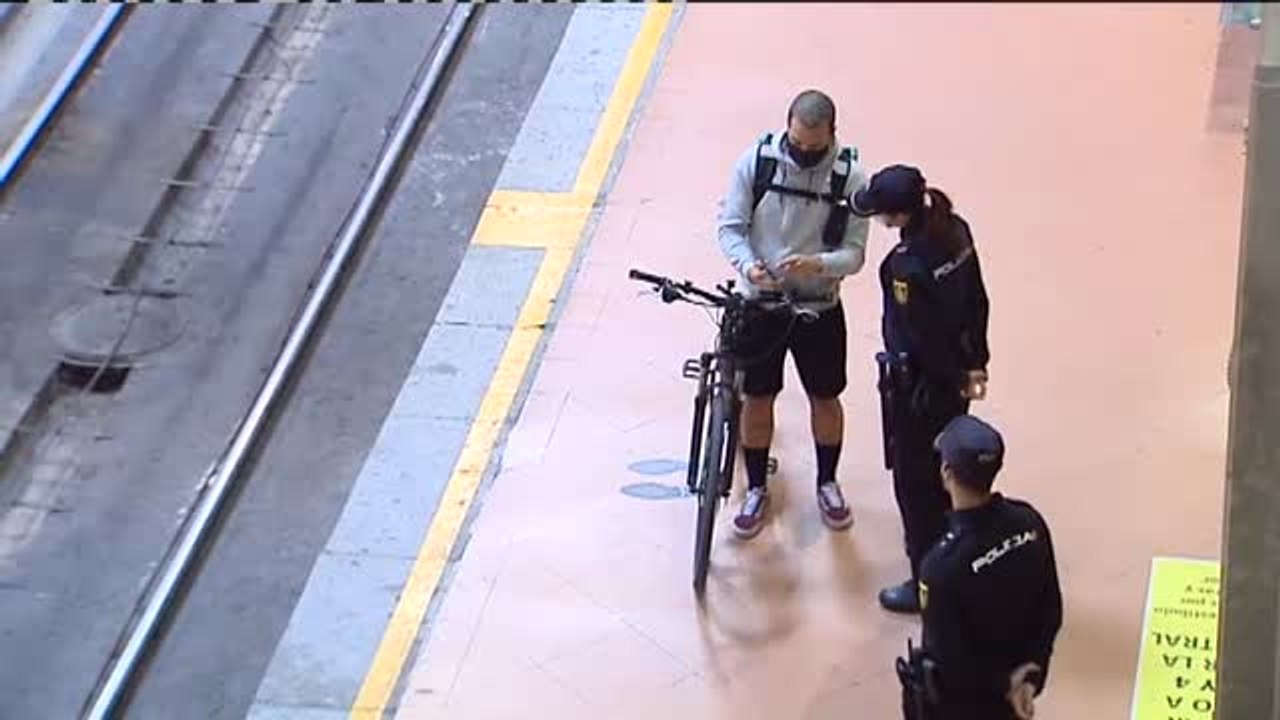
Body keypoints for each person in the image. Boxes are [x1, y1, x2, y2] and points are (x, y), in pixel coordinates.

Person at [715, 88, 870, 539]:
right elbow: (730, 228)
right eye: (796, 143)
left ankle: (828, 481)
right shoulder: (755, 164)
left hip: (817, 308)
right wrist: (749, 266)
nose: (802, 152)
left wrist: (819, 265)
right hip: (761, 305)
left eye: (813, 147)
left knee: (825, 396)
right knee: (759, 397)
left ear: (831, 135)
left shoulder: (851, 179)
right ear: (787, 128)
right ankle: (757, 487)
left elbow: (856, 253)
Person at [851, 164, 991, 612]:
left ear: (896, 216)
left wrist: (945, 377)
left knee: (916, 486)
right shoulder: (955, 230)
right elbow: (977, 300)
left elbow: (922, 340)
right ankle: (961, 552)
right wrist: (975, 366)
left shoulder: (905, 267)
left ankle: (925, 583)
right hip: (958, 383)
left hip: (921, 389)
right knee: (952, 470)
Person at [896, 414, 1063, 720]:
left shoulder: (940, 569)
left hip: (967, 707)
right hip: (1014, 697)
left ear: (947, 472)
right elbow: (1050, 609)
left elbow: (951, 662)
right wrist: (1028, 678)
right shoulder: (1031, 522)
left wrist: (1004, 685)